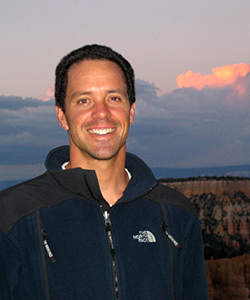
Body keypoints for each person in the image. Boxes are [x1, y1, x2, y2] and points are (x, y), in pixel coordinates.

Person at [0, 44, 209, 300]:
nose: (101, 113)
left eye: (114, 98)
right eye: (84, 100)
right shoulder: (12, 216)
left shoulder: (176, 214)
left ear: (131, 111)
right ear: (62, 116)